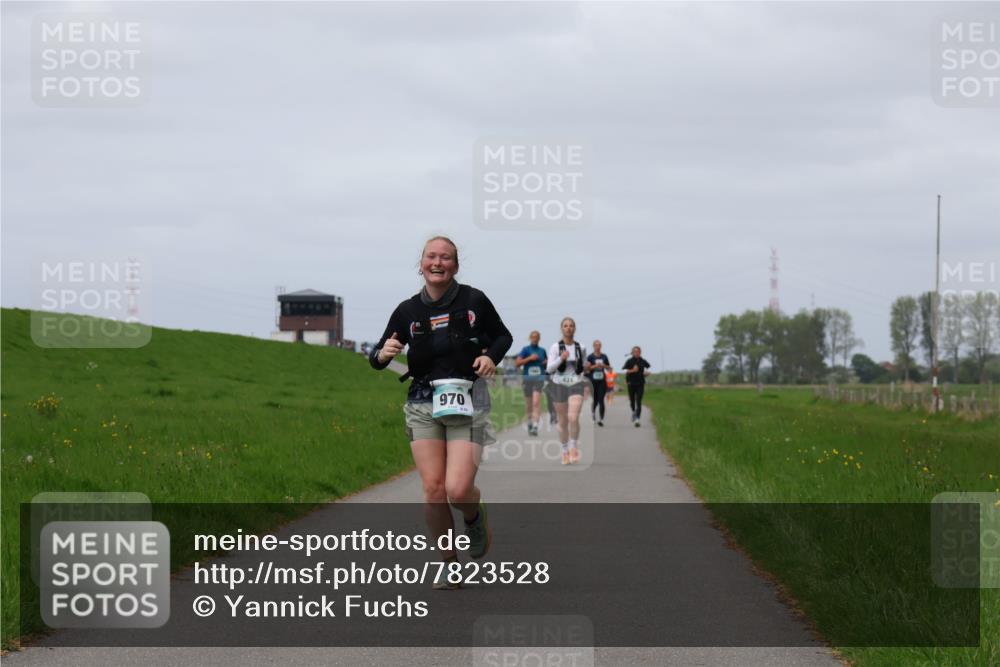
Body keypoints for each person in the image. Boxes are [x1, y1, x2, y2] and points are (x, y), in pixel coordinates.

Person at [370, 236, 512, 588]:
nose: (438, 262)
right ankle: (450, 563)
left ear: (455, 265)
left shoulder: (473, 300)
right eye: (431, 257)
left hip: (468, 398)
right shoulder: (407, 311)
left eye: (445, 257)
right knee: (434, 489)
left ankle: (474, 517)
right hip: (422, 400)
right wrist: (383, 354)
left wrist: (489, 357)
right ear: (420, 264)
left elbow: (503, 336)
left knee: (458, 488)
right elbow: (377, 356)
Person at [546, 317, 587, 465]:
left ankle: (573, 447)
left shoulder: (580, 347)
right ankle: (564, 451)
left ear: (574, 328)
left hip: (576, 384)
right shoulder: (555, 347)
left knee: (573, 417)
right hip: (558, 384)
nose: (568, 328)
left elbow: (584, 366)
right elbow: (549, 369)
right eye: (565, 326)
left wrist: (583, 379)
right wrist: (561, 359)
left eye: (571, 326)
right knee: (563, 421)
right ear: (561, 329)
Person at [514, 331, 547, 436]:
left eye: (536, 337)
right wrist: (529, 358)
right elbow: (517, 363)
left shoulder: (542, 351)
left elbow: (547, 364)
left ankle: (535, 427)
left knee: (536, 402)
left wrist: (546, 362)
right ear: (530, 338)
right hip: (527, 380)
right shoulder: (525, 350)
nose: (535, 339)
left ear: (539, 338)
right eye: (533, 337)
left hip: (539, 379)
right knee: (529, 405)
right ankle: (529, 422)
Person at [622, 346, 651, 427]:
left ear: (640, 352)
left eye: (638, 351)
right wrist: (632, 370)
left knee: (638, 401)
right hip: (631, 383)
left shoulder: (642, 361)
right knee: (632, 401)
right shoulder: (629, 361)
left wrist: (646, 373)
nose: (636, 353)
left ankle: (637, 419)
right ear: (632, 353)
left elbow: (648, 367)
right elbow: (623, 370)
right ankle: (633, 412)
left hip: (640, 383)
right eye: (635, 351)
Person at [585, 340, 611, 426]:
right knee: (595, 400)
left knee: (601, 400)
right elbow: (587, 369)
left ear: (601, 346)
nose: (598, 347)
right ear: (593, 346)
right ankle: (592, 414)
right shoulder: (590, 357)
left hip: (602, 381)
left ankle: (601, 419)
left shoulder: (604, 356)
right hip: (593, 381)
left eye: (599, 345)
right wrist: (595, 366)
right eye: (596, 345)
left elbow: (609, 368)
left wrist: (604, 366)